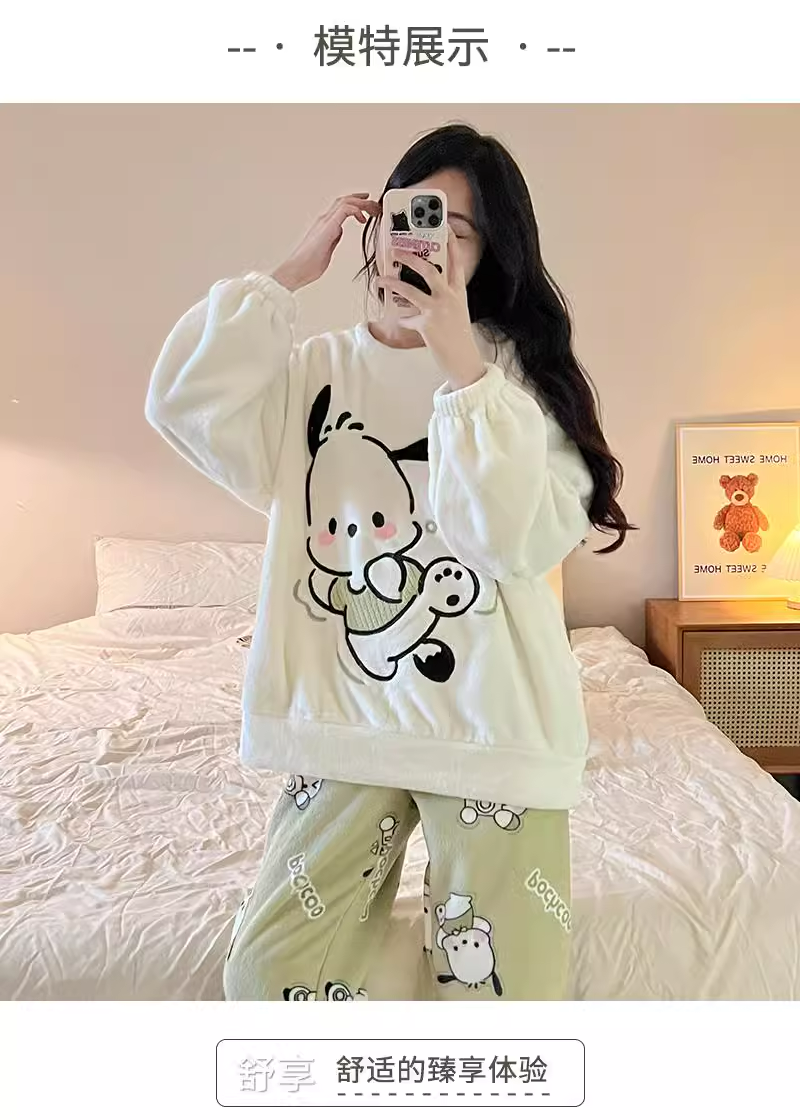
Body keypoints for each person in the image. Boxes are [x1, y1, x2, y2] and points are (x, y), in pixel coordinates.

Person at [145, 123, 633, 1002]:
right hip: (346, 723)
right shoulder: (312, 373)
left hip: (493, 731)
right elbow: (183, 403)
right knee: (268, 974)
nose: (426, 241)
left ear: (488, 254)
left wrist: (462, 367)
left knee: (500, 998)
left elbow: (507, 543)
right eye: (412, 214)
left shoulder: (518, 383)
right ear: (375, 223)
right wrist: (285, 276)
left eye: (457, 228)